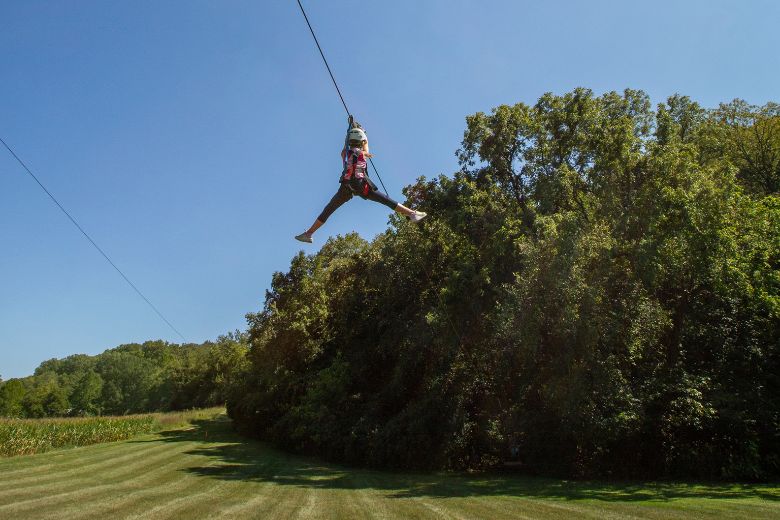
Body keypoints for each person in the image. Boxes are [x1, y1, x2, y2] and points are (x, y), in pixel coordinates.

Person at [295, 118, 426, 243]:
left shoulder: (344, 153)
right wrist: (361, 131)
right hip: (361, 185)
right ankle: (412, 214)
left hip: (346, 187)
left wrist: (351, 128)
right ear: (362, 141)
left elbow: (346, 144)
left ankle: (309, 233)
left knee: (329, 209)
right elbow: (365, 143)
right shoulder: (363, 153)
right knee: (385, 200)